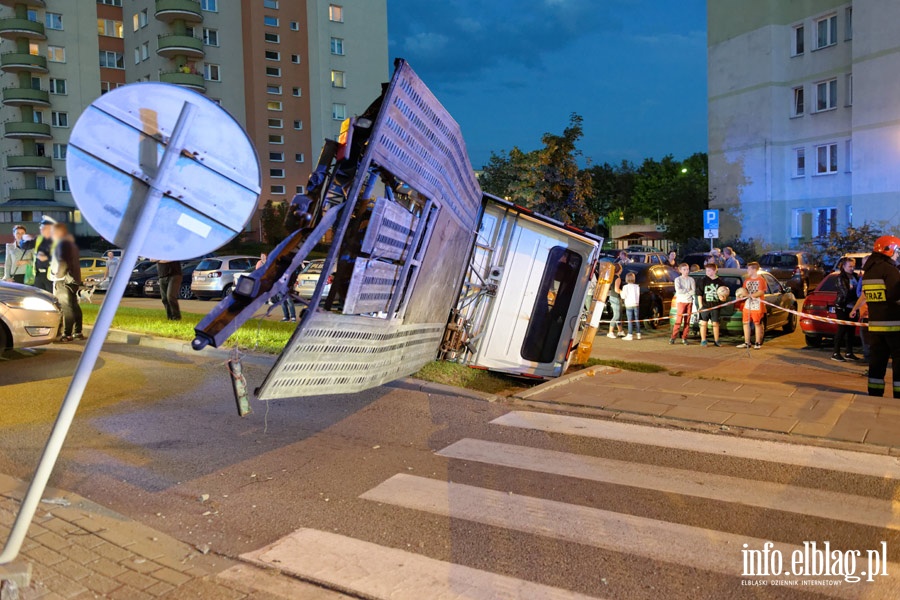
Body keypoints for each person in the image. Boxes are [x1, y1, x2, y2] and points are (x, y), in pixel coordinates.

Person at [860, 236, 900, 398]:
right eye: (897, 251)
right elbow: (896, 296)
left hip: (875, 325)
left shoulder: (869, 272)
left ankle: (875, 392)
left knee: (877, 360)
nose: (898, 255)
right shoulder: (890, 270)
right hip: (895, 324)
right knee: (899, 360)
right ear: (889, 250)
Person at [49, 223, 83, 342]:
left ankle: (67, 334)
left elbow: (62, 263)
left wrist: (57, 275)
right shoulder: (71, 245)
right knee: (74, 306)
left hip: (63, 280)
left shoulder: (61, 245)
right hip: (73, 280)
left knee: (66, 307)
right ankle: (77, 332)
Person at [831, 257, 860, 362]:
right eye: (850, 266)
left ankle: (849, 352)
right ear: (843, 266)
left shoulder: (855, 277)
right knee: (842, 330)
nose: (852, 268)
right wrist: (858, 295)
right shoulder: (840, 278)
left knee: (851, 331)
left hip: (853, 307)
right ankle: (836, 353)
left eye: (854, 266)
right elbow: (845, 293)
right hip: (842, 307)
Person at [736, 261, 767, 349]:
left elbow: (761, 292)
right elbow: (743, 290)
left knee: (757, 324)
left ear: (754, 269)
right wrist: (739, 296)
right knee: (745, 323)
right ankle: (747, 342)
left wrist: (749, 295)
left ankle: (757, 342)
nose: (747, 270)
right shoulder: (747, 280)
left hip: (757, 305)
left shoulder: (761, 280)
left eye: (749, 269)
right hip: (747, 305)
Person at [27, 216, 56, 292]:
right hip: (38, 274)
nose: (41, 229)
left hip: (51, 275)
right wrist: (24, 239)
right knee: (40, 297)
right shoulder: (39, 238)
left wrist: (47, 258)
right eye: (41, 227)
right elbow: (25, 246)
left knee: (51, 297)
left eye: (44, 228)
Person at [698, 263, 723, 347]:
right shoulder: (703, 280)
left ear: (714, 270)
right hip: (705, 305)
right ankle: (703, 340)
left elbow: (723, 294)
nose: (707, 272)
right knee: (703, 323)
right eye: (706, 270)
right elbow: (699, 293)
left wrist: (722, 298)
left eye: (709, 270)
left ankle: (716, 340)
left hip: (715, 306)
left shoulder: (720, 281)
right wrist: (700, 305)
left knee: (715, 323)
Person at [670, 263, 695, 345]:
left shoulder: (691, 279)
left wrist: (687, 292)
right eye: (684, 269)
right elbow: (679, 291)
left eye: (687, 269)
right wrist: (688, 291)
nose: (686, 271)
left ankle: (684, 337)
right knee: (679, 320)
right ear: (680, 270)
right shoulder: (678, 279)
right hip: (681, 301)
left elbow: (693, 291)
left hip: (689, 301)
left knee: (687, 321)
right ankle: (673, 337)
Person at [606, 263, 625, 338]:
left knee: (619, 315)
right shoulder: (617, 278)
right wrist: (623, 292)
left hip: (612, 296)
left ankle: (620, 331)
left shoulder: (612, 277)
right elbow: (617, 289)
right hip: (616, 297)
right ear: (619, 270)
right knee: (617, 315)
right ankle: (610, 332)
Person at [621, 271, 641, 341]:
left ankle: (630, 334)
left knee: (630, 320)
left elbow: (623, 296)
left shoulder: (625, 287)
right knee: (637, 319)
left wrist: (621, 292)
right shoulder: (637, 286)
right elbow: (638, 295)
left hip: (629, 304)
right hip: (636, 304)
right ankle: (638, 334)